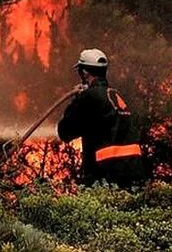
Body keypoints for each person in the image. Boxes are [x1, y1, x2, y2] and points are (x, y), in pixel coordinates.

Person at [55, 48, 147, 187]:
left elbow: (65, 131)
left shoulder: (89, 97)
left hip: (106, 174)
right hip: (133, 171)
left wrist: (77, 100)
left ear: (85, 72)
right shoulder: (115, 96)